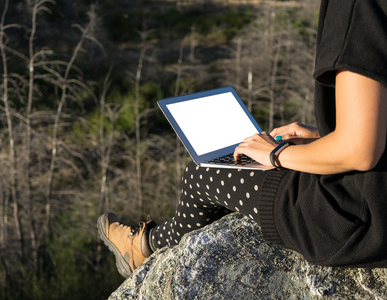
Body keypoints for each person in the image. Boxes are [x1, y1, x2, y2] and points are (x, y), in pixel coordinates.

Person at [98, 0, 387, 278]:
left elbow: (357, 151)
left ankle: (143, 247)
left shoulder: (359, 5)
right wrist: (326, 136)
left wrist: (277, 155)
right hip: (372, 200)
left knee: (202, 172)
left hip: (355, 217)